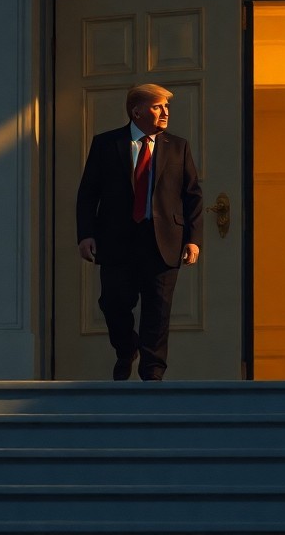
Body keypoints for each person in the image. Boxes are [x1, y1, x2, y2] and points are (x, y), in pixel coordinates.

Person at [76, 83, 203, 381]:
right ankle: (126, 348)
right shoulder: (107, 144)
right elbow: (88, 193)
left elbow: (193, 195)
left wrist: (193, 239)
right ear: (137, 111)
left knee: (158, 310)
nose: (165, 112)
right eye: (158, 106)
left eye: (166, 107)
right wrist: (86, 233)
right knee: (113, 302)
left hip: (163, 240)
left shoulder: (178, 146)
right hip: (117, 240)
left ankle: (152, 374)